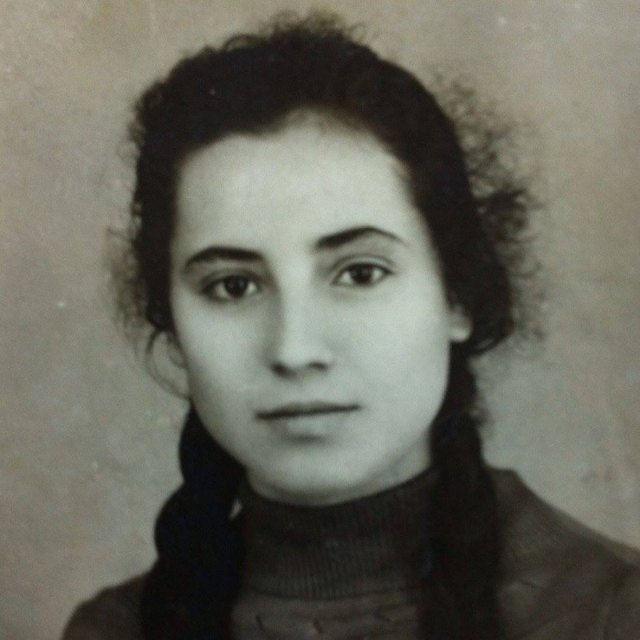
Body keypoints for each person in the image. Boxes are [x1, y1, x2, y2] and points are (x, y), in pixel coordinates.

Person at [62, 13, 640, 640]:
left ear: (457, 295)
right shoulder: (116, 630)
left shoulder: (609, 612)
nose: (295, 349)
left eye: (360, 273)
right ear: (174, 331)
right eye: (234, 286)